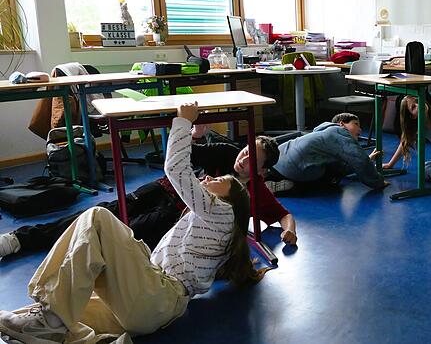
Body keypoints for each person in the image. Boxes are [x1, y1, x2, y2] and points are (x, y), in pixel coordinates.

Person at [0, 102, 265, 343]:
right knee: (64, 308)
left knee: (98, 218)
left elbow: (176, 169)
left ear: (229, 202)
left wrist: (183, 121)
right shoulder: (212, 217)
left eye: (217, 182)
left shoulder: (225, 214)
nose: (207, 180)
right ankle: (43, 325)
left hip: (158, 297)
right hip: (149, 303)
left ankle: (49, 321)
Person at [0, 134, 297, 260]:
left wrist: (288, 232)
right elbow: (180, 154)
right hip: (163, 189)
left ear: (261, 169)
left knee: (122, 232)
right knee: (106, 211)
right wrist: (193, 135)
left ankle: (69, 251)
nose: (243, 158)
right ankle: (20, 239)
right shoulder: (225, 151)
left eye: (252, 159)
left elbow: (285, 214)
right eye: (246, 151)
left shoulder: (255, 190)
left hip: (174, 219)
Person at [267, 113, 387, 193]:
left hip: (277, 162)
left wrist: (369, 158)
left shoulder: (322, 132)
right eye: (355, 124)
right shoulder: (339, 133)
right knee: (331, 181)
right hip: (294, 168)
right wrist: (378, 182)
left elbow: (343, 166)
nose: (360, 129)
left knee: (330, 168)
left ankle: (273, 181)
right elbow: (360, 161)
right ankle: (294, 186)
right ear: (341, 124)